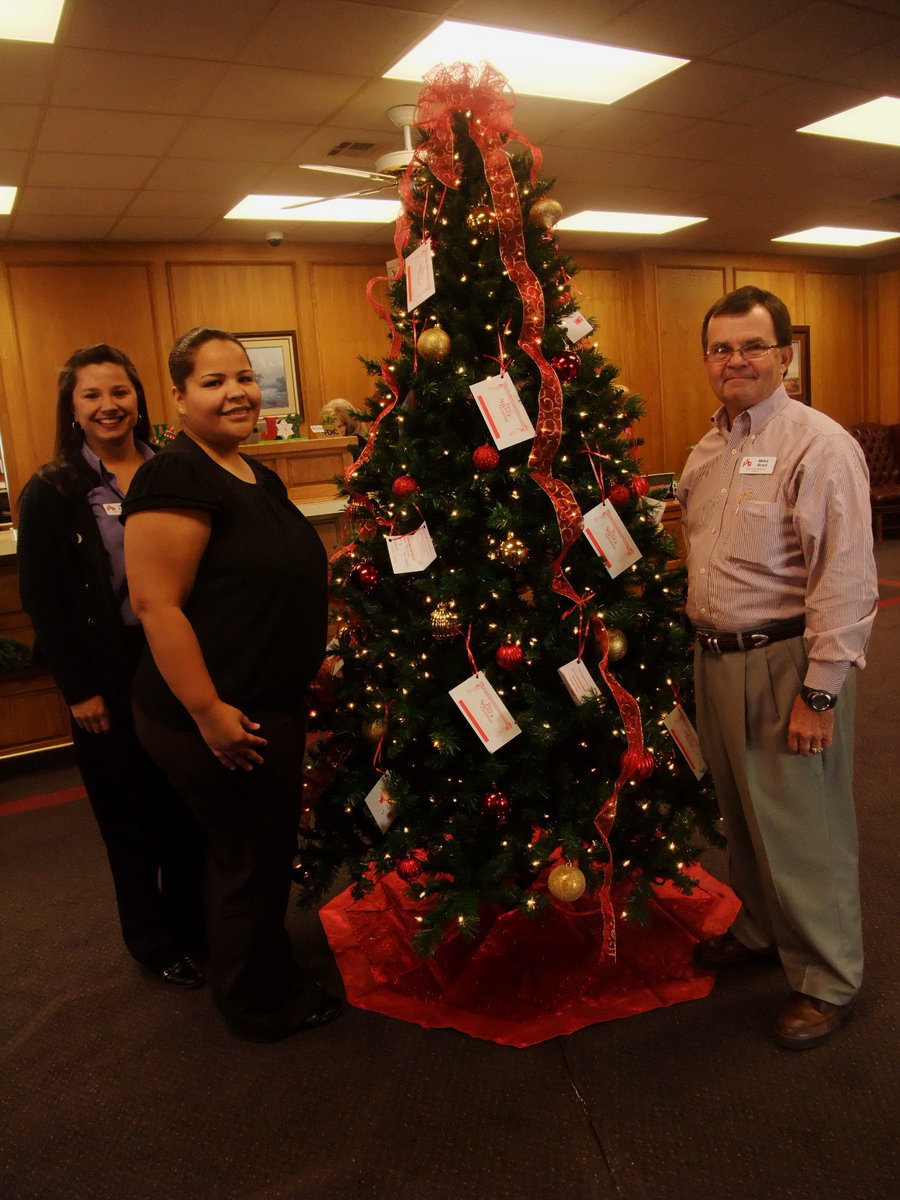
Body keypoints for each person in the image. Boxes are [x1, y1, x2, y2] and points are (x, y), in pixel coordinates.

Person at [122, 326, 340, 1042]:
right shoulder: (174, 476)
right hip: (214, 716)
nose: (236, 392)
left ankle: (259, 965)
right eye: (213, 382)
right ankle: (254, 1000)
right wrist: (210, 711)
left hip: (263, 701)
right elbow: (158, 605)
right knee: (250, 857)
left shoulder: (250, 471)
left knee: (259, 850)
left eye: (244, 377)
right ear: (179, 398)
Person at [678, 286, 878, 1049]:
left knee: (805, 829)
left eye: (752, 346)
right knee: (743, 818)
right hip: (717, 661)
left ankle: (829, 979)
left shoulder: (818, 445)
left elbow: (848, 578)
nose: (736, 361)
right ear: (708, 362)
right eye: (722, 349)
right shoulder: (708, 449)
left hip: (786, 664)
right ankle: (762, 930)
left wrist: (819, 695)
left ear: (785, 356)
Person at [16, 344, 206, 988]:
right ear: (73, 409)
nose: (108, 406)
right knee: (128, 813)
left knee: (185, 800)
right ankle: (151, 940)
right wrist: (79, 690)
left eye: (119, 392)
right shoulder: (54, 490)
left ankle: (193, 925)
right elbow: (44, 600)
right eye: (92, 395)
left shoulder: (174, 469)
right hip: (107, 669)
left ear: (139, 400)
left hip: (175, 656)